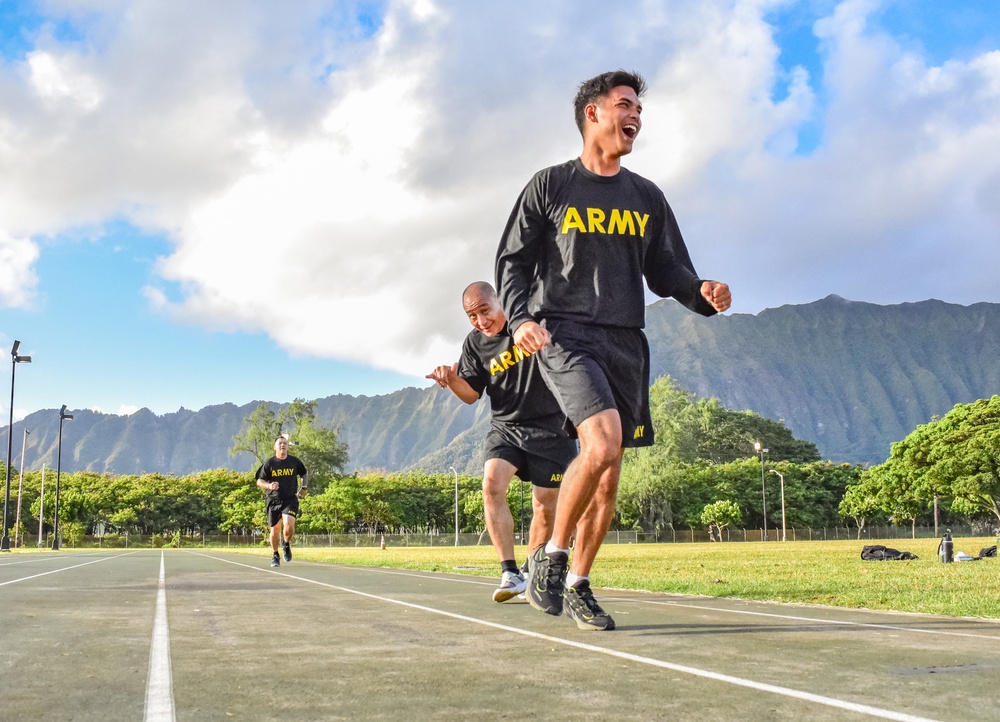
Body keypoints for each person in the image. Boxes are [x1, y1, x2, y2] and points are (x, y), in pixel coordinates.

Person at [495, 70, 732, 630]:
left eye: (640, 110)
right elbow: (512, 262)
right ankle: (549, 559)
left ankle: (578, 582)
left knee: (608, 474)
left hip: (626, 340)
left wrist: (701, 292)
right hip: (564, 334)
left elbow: (666, 269)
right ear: (592, 113)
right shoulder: (550, 185)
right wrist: (522, 319)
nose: (636, 117)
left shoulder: (646, 196)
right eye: (625, 105)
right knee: (600, 442)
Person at [426, 281, 576, 603]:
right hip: (506, 427)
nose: (480, 321)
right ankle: (510, 572)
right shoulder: (474, 344)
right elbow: (470, 395)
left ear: (501, 302)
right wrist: (451, 379)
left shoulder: (529, 321)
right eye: (471, 316)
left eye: (484, 310)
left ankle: (535, 570)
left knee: (544, 506)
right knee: (491, 484)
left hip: (552, 429)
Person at [256, 435, 309, 567]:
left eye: (285, 443)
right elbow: (259, 481)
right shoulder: (269, 463)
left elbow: (304, 473)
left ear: (288, 447)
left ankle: (286, 544)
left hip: (290, 499)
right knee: (274, 530)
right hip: (273, 500)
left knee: (289, 524)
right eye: (280, 443)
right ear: (274, 447)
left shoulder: (294, 462)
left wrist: (304, 487)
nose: (282, 445)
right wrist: (269, 486)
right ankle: (275, 554)